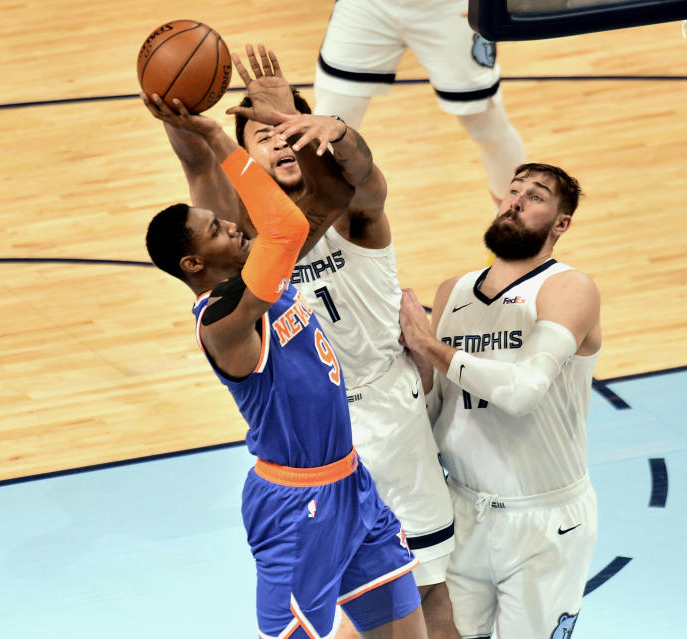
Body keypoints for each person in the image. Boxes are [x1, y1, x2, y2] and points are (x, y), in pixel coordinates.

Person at [160, 45, 459, 638]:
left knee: (423, 603)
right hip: (305, 469)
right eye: (262, 138)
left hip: (378, 426)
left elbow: (357, 181)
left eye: (285, 130)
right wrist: (186, 122)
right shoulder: (248, 257)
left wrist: (330, 130)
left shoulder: (338, 212)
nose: (276, 140)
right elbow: (208, 181)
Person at [397, 163, 602, 638]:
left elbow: (522, 391)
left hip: (545, 521)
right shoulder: (454, 291)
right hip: (462, 509)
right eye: (512, 191)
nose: (515, 201)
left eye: (535, 196)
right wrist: (418, 370)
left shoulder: (568, 288)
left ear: (561, 224)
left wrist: (432, 348)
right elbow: (439, 409)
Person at [313, 0, 526, 203]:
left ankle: (517, 226)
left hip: (450, 10)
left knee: (487, 127)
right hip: (367, 7)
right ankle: (314, 231)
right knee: (327, 123)